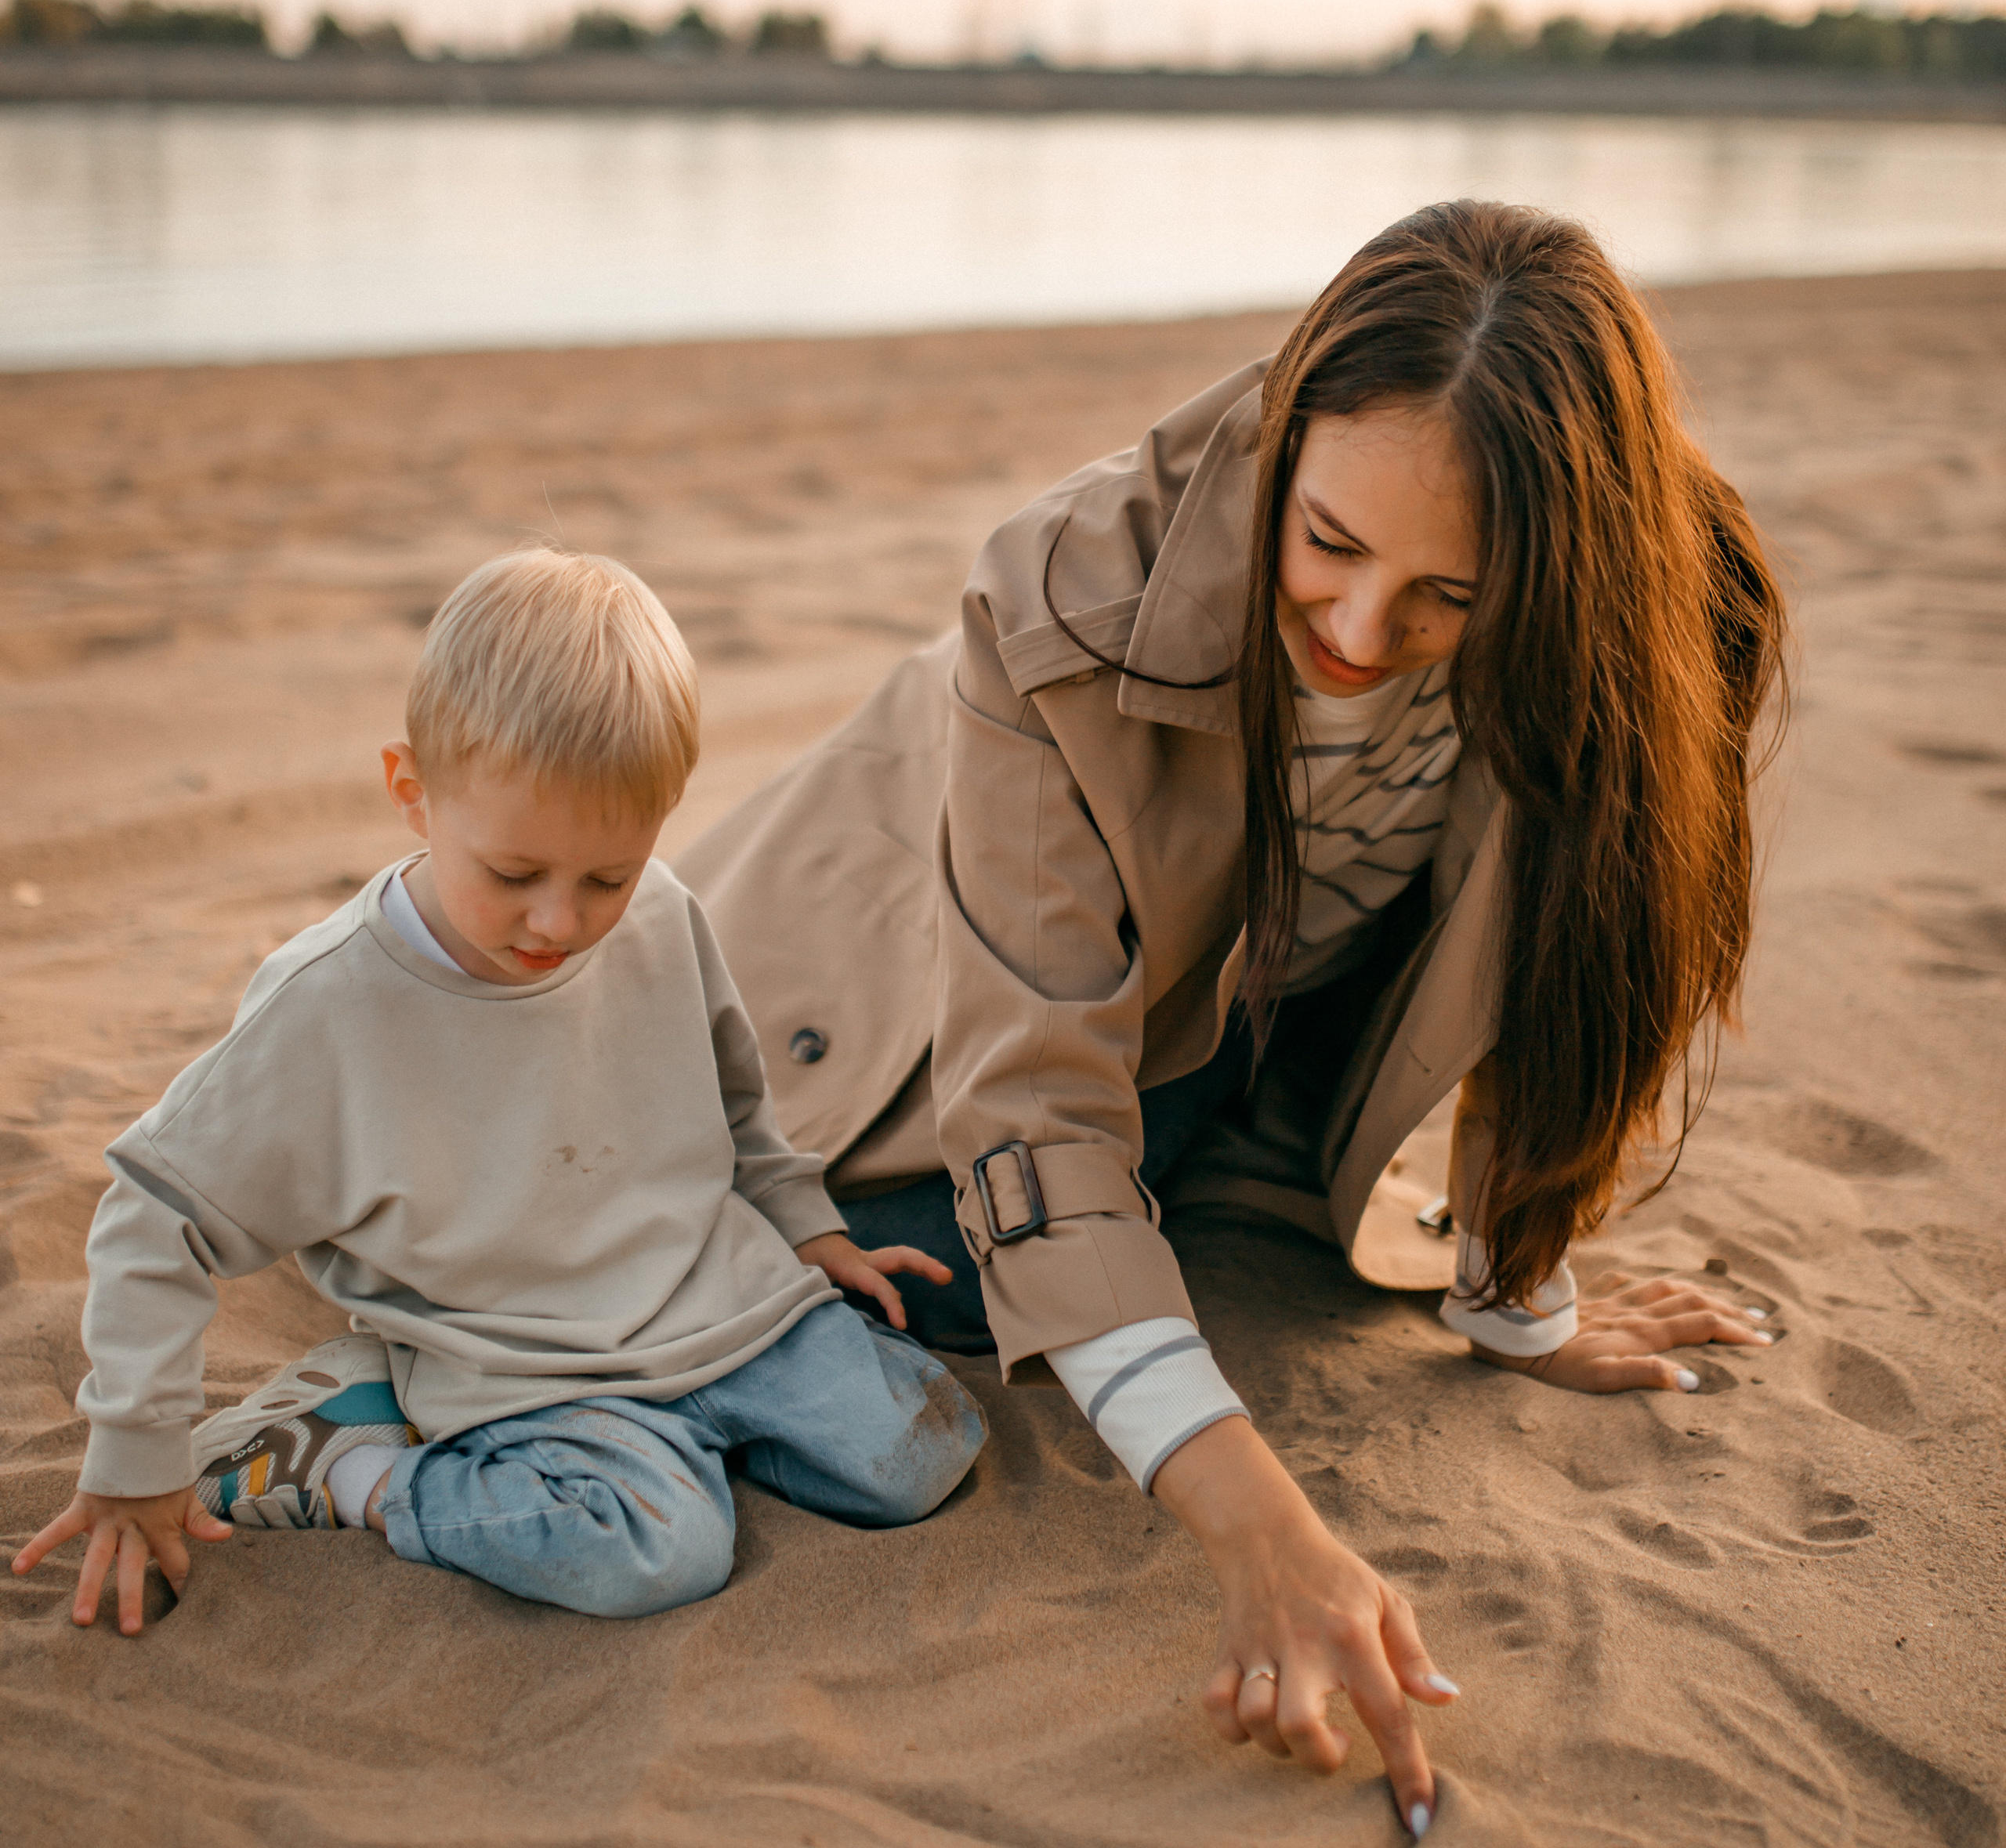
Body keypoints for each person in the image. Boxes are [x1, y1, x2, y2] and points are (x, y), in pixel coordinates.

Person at [675, 201, 1788, 1838]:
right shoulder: (1058, 591)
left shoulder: (1670, 604)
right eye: (1326, 544)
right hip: (880, 1020)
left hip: (1233, 1014)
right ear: (1284, 444)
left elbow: (1576, 950)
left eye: (1443, 597)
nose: (1353, 637)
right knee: (941, 1276)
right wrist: (1267, 1532)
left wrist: (1517, 1287)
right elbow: (1034, 1118)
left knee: (1142, 1245)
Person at [11, 547, 985, 1633]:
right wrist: (136, 1448)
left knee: (918, 1451)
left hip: (715, 1295)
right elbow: (158, 1213)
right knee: (657, 1554)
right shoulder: (327, 1009)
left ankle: (695, 1436)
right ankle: (344, 1457)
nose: (560, 924)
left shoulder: (661, 913)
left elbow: (734, 1101)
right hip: (521, 1359)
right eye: (515, 875)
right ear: (412, 794)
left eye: (605, 876)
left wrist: (807, 1229)